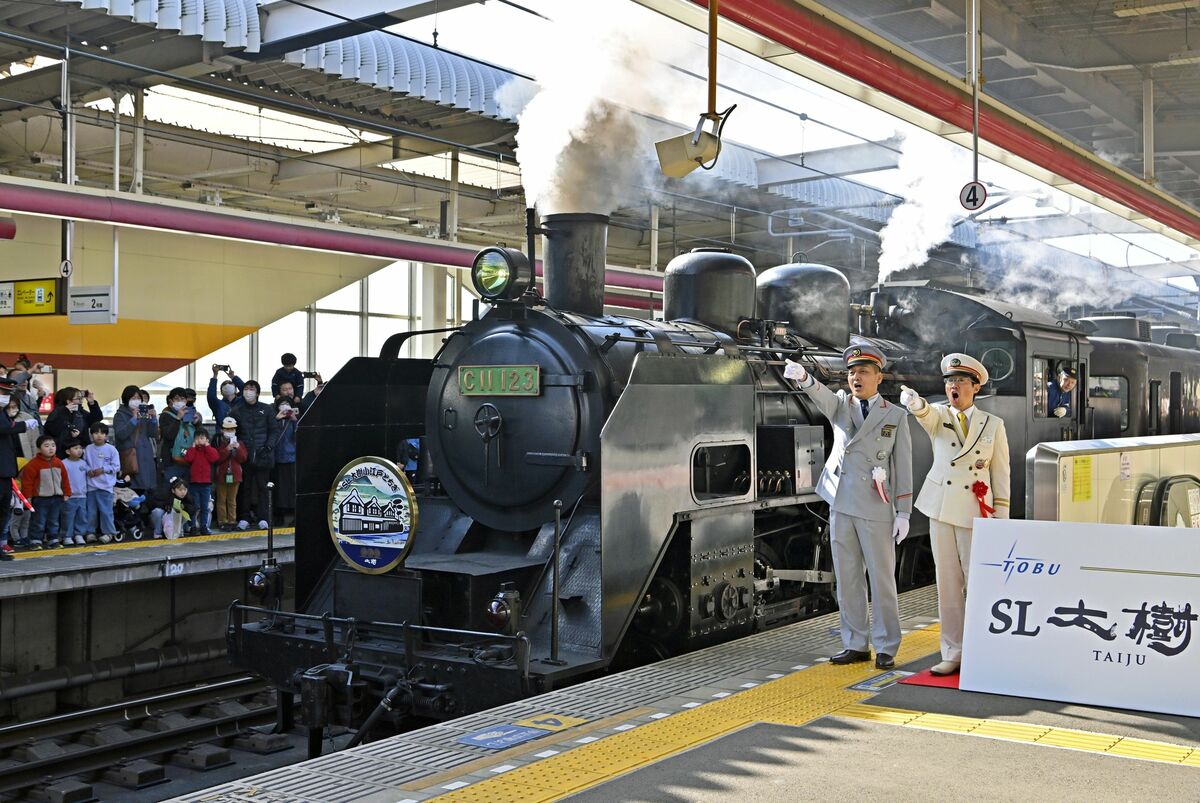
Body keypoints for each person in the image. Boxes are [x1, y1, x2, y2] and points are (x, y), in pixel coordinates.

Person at [784, 345, 912, 669]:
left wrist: (904, 512)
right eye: (852, 373)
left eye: (864, 372)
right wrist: (804, 377)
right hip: (841, 504)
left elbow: (904, 467)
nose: (856, 377)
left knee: (882, 580)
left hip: (876, 507)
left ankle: (886, 645)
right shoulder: (841, 406)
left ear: (879, 377)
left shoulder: (895, 416)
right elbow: (821, 396)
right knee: (848, 578)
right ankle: (855, 643)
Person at [901, 353, 1011, 676]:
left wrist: (1001, 521)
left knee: (979, 581)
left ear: (975, 387)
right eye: (950, 382)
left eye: (961, 381)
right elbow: (923, 413)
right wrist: (913, 402)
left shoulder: (994, 425)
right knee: (947, 582)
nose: (954, 387)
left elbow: (1001, 475)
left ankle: (983, 647)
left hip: (978, 512)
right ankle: (953, 650)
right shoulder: (938, 416)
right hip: (942, 507)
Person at [232, 380, 280, 530]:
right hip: (244, 455)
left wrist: (268, 447)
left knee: (263, 487)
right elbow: (233, 430)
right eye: (246, 389)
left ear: (257, 393)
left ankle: (264, 518)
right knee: (244, 488)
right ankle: (244, 518)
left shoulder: (266, 409)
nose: (248, 391)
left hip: (263, 455)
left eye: (251, 389)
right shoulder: (237, 410)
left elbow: (274, 430)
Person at [0, 376, 39, 559]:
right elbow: (4, 428)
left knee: (3, 509)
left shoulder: (2, 411)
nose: (5, 397)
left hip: (6, 470)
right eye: (3, 393)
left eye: (7, 394)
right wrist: (24, 425)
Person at [20, 434, 70, 549]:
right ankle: (35, 540)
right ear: (39, 449)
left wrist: (67, 492)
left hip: (57, 497)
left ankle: (53, 539)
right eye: (46, 446)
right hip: (40, 498)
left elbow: (65, 479)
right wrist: (28, 496)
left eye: (53, 445)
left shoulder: (58, 462)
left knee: (54, 520)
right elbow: (27, 482)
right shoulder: (33, 464)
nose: (51, 448)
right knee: (39, 520)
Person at [113, 386, 159, 495]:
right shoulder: (119, 415)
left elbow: (152, 434)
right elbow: (121, 434)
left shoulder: (143, 414)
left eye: (138, 397)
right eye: (133, 397)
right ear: (126, 399)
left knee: (147, 488)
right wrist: (134, 419)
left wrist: (153, 419)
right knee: (133, 488)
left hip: (146, 456)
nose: (136, 400)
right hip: (131, 457)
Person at [176, 430, 219, 535]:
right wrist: (193, 447)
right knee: (194, 506)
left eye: (202, 438)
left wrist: (207, 446)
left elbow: (214, 457)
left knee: (205, 507)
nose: (200, 440)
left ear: (206, 439)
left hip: (206, 484)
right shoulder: (193, 450)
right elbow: (188, 458)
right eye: (198, 438)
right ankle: (193, 526)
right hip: (194, 483)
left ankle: (204, 526)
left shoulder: (209, 450)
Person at [84, 423, 120, 545]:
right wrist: (88, 470)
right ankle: (90, 532)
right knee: (91, 511)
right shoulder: (88, 449)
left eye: (102, 433)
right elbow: (84, 464)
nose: (99, 435)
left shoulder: (111, 449)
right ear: (91, 435)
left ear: (106, 435)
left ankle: (109, 532)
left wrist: (103, 469)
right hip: (91, 486)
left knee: (106, 511)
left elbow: (116, 466)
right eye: (96, 433)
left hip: (106, 486)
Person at [43, 387, 102, 458]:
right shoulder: (58, 412)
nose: (81, 401)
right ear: (68, 401)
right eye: (78, 399)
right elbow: (52, 429)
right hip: (63, 452)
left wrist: (92, 403)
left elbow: (96, 419)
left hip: (81, 450)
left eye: (81, 398)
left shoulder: (79, 411)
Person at [158, 387, 200, 487]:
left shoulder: (189, 414)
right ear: (171, 401)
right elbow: (169, 435)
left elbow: (200, 436)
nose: (180, 401)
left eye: (183, 399)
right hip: (172, 461)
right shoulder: (165, 416)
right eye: (177, 399)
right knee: (172, 489)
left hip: (189, 461)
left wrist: (197, 423)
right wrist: (178, 418)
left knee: (186, 491)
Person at [213, 417, 247, 531]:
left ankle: (232, 520)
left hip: (235, 475)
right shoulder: (218, 441)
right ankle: (222, 521)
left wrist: (237, 448)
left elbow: (243, 458)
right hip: (222, 475)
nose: (230, 431)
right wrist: (227, 449)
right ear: (222, 429)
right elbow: (217, 458)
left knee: (232, 500)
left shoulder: (239, 442)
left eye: (232, 429)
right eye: (227, 429)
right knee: (221, 499)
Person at [271, 395, 298, 526]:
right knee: (278, 489)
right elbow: (270, 433)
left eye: (287, 403)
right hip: (276, 458)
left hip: (291, 458)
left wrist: (294, 420)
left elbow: (298, 436)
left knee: (291, 488)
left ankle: (294, 515)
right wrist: (276, 419)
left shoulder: (293, 420)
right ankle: (278, 515)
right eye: (282, 403)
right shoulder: (274, 418)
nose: (284, 406)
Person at [61, 438, 90, 546]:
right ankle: (67, 536)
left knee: (81, 516)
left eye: (80, 448)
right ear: (68, 451)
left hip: (82, 495)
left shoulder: (83, 463)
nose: (79, 450)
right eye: (75, 448)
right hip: (69, 496)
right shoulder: (63, 463)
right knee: (68, 517)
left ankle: (79, 534)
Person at [5, 395, 37, 460]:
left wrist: (35, 460)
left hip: (25, 457)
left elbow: (35, 442)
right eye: (8, 407)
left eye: (14, 407)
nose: (11, 410)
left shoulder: (27, 418)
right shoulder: (2, 419)